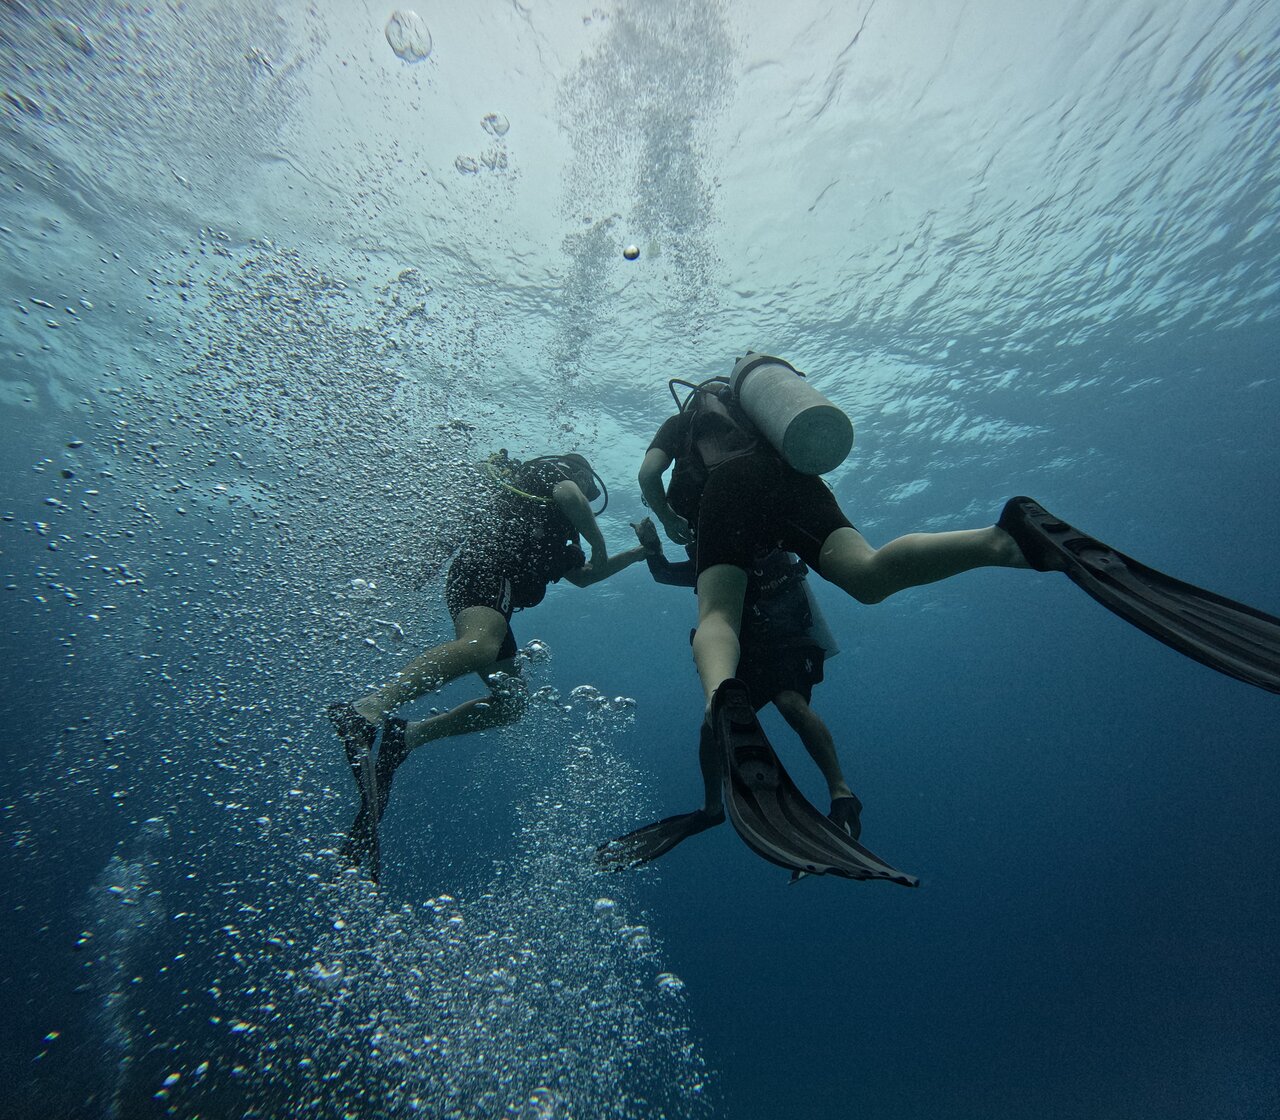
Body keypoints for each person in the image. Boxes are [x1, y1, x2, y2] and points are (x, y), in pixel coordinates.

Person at [634, 362, 1280, 883]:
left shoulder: (683, 419)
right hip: (796, 480)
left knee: (716, 613)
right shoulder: (763, 420)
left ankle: (723, 695)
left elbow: (647, 475)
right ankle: (1009, 538)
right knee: (868, 575)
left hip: (730, 492)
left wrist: (666, 518)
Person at [329, 450, 650, 882]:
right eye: (592, 490)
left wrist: (641, 552)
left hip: (495, 597)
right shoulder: (549, 478)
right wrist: (598, 539)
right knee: (480, 646)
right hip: (483, 569)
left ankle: (405, 737)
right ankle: (368, 709)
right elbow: (569, 492)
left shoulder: (553, 535)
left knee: (511, 704)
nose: (590, 499)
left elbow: (587, 577)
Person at [598, 520, 859, 869]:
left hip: (788, 640)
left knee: (790, 702)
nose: (696, 542)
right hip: (745, 648)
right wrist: (651, 546)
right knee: (714, 721)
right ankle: (711, 810)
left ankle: (842, 794)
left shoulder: (763, 536)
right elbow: (662, 574)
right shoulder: (710, 562)